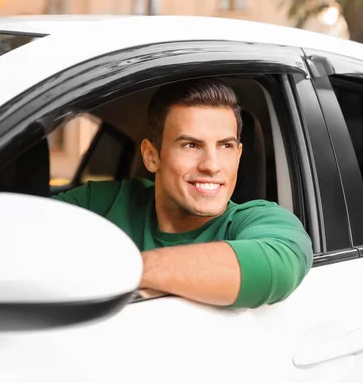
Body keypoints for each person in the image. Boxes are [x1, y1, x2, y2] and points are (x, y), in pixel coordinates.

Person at [51, 78, 312, 308]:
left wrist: (116, 269)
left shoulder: (260, 220)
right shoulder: (101, 202)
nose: (211, 165)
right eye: (191, 145)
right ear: (152, 157)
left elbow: (278, 266)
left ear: (239, 154)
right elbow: (19, 235)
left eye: (225, 146)